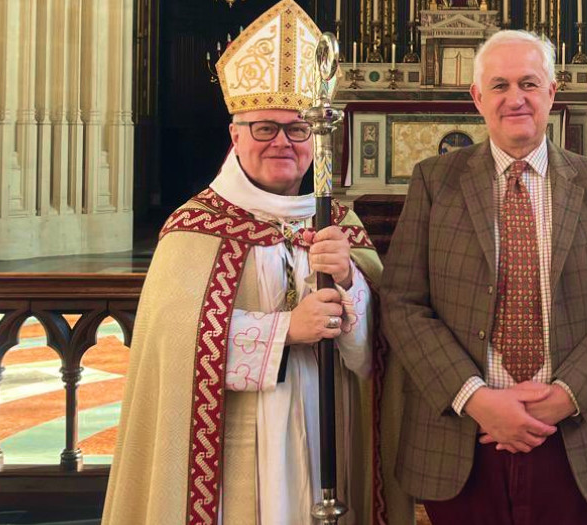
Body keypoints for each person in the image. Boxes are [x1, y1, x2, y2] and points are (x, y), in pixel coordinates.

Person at [102, 2, 407, 523]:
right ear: (235, 134)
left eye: (297, 129)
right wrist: (286, 330)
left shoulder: (339, 223)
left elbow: (381, 351)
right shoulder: (195, 227)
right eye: (265, 128)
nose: (283, 143)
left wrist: (353, 281)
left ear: (316, 140)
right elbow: (174, 346)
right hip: (237, 447)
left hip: (329, 432)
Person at [381, 29, 587, 524]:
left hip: (574, 434)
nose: (516, 99)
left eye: (529, 83)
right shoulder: (434, 181)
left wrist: (564, 396)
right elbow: (403, 302)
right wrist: (476, 398)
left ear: (552, 93)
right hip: (462, 434)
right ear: (477, 98)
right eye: (500, 85)